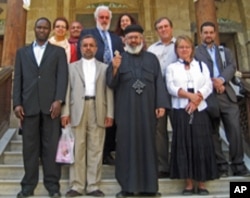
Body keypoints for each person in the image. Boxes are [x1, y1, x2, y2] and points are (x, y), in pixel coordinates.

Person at [106, 24, 169, 197]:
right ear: (124, 41)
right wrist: (115, 68)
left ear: (142, 39)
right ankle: (126, 188)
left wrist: (161, 104)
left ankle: (150, 188)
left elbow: (159, 83)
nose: (133, 40)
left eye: (136, 37)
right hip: (125, 111)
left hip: (147, 110)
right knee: (126, 147)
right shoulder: (118, 59)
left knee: (149, 147)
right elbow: (111, 84)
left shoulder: (152, 59)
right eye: (130, 38)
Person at [13, 17, 68, 198]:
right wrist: (17, 103)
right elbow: (18, 79)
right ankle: (28, 186)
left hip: (51, 108)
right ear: (35, 29)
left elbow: (62, 78)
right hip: (28, 108)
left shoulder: (58, 52)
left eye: (45, 28)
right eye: (39, 27)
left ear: (49, 30)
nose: (42, 30)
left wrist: (59, 100)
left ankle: (53, 186)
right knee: (29, 149)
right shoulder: (22, 53)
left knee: (51, 148)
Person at [61, 34, 114, 197]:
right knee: (77, 148)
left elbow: (109, 92)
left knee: (96, 148)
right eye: (85, 45)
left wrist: (110, 113)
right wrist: (65, 112)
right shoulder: (71, 67)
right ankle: (76, 185)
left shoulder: (105, 68)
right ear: (80, 48)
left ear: (96, 48)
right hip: (77, 109)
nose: (88, 48)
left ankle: (93, 185)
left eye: (91, 45)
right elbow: (67, 91)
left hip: (98, 108)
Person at [166, 35, 218, 195]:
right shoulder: (172, 68)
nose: (184, 50)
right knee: (184, 145)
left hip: (200, 110)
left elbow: (208, 85)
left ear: (191, 49)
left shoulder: (201, 66)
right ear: (177, 50)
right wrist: (189, 97)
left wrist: (197, 99)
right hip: (181, 110)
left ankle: (201, 183)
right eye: (181, 47)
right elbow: (171, 87)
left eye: (187, 47)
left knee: (201, 145)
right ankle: (188, 184)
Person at [195, 21, 249, 176]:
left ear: (215, 33)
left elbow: (231, 67)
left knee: (235, 130)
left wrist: (221, 80)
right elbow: (197, 70)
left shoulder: (225, 51)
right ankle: (221, 166)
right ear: (201, 34)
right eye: (205, 32)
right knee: (213, 133)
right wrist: (213, 81)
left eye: (211, 32)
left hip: (227, 94)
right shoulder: (196, 52)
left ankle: (238, 164)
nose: (208, 35)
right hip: (208, 96)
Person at [78, 5, 124, 165]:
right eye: (101, 17)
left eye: (107, 18)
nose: (104, 20)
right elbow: (81, 56)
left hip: (113, 81)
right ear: (96, 18)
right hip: (93, 80)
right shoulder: (87, 34)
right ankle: (91, 152)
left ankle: (107, 152)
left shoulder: (116, 38)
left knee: (110, 116)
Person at [147, 17, 177, 178]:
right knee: (159, 131)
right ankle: (162, 166)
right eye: (160, 27)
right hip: (159, 93)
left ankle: (181, 164)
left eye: (166, 26)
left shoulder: (180, 45)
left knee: (181, 129)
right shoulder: (152, 49)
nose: (163, 29)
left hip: (179, 94)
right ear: (157, 30)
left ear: (171, 28)